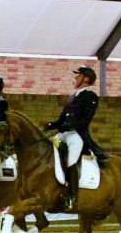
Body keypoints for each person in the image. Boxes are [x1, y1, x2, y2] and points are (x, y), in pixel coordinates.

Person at [44, 65, 109, 211]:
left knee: (71, 160)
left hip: (76, 135)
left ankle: (73, 198)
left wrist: (70, 125)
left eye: (78, 76)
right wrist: (51, 124)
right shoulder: (72, 96)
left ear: (85, 79)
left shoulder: (90, 97)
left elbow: (85, 121)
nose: (75, 78)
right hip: (64, 133)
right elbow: (62, 119)